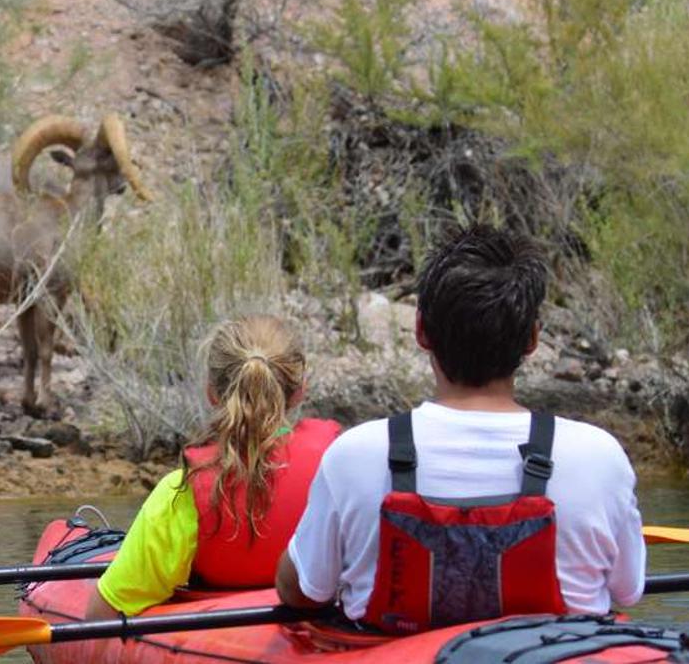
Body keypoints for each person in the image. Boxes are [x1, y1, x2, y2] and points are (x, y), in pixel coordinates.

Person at [275, 224, 645, 632]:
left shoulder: (353, 454)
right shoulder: (600, 457)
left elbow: (303, 592)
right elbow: (627, 590)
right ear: (532, 339)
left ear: (421, 331)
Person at [88, 316, 342, 617]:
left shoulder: (180, 492)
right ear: (300, 391)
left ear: (212, 393)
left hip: (218, 633)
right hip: (326, 632)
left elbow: (101, 615)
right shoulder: (339, 467)